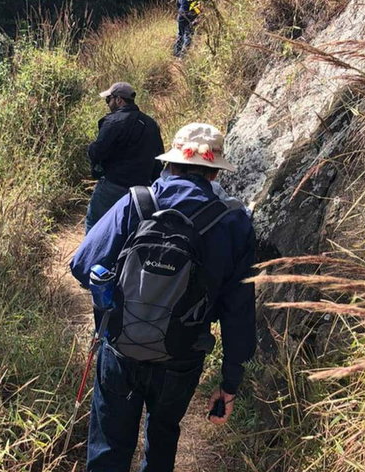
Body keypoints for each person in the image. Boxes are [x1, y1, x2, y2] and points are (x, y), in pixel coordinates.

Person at [70, 123, 256, 472]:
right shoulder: (234, 223)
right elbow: (239, 312)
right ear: (215, 171)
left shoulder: (138, 202)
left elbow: (82, 266)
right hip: (182, 355)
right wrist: (230, 383)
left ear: (169, 163)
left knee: (109, 443)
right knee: (163, 435)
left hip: (120, 348)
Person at [86, 82, 164, 234]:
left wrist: (90, 149)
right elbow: (158, 159)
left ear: (119, 100)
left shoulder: (113, 121)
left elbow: (98, 152)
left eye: (108, 100)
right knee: (129, 232)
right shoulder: (151, 124)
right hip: (141, 191)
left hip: (112, 185)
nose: (107, 103)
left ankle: (89, 256)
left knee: (95, 225)